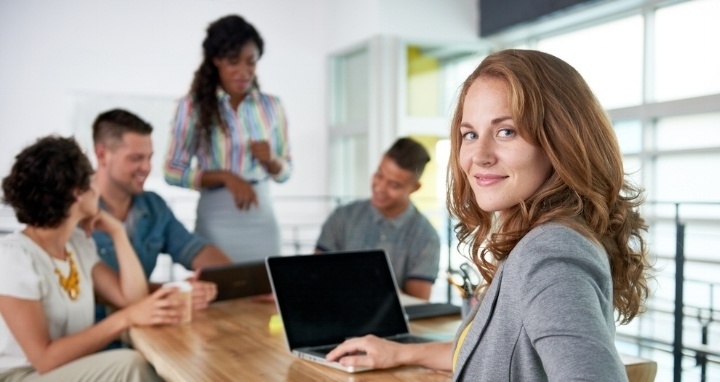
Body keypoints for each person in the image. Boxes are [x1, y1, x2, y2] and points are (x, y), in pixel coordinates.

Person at [326, 49, 651, 380]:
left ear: (560, 140)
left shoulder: (551, 251)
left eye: (506, 131)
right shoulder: (534, 240)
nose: (478, 155)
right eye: (470, 134)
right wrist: (399, 352)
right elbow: (484, 352)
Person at [0, 136, 183, 381]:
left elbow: (132, 298)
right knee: (130, 364)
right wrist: (124, 319)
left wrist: (118, 232)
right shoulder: (14, 257)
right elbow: (43, 360)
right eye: (92, 179)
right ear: (78, 192)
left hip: (72, 369)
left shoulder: (77, 245)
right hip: (25, 376)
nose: (97, 187)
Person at [164, 14, 292, 262]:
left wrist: (273, 161)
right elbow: (172, 171)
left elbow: (286, 172)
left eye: (251, 62)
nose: (244, 72)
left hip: (262, 217)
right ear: (216, 61)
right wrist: (226, 177)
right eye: (233, 62)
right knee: (219, 293)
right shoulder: (192, 107)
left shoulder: (272, 107)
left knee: (267, 294)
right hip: (217, 217)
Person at [92, 108, 231, 325]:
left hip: (146, 330)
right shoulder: (76, 210)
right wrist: (177, 291)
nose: (146, 168)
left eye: (149, 158)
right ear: (102, 155)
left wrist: (237, 279)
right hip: (98, 338)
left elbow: (195, 248)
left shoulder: (153, 206)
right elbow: (100, 290)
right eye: (136, 158)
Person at [315, 137, 440, 300]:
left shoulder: (426, 237)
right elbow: (315, 276)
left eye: (394, 185)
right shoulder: (342, 217)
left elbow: (418, 304)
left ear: (415, 188)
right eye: (379, 175)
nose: (380, 187)